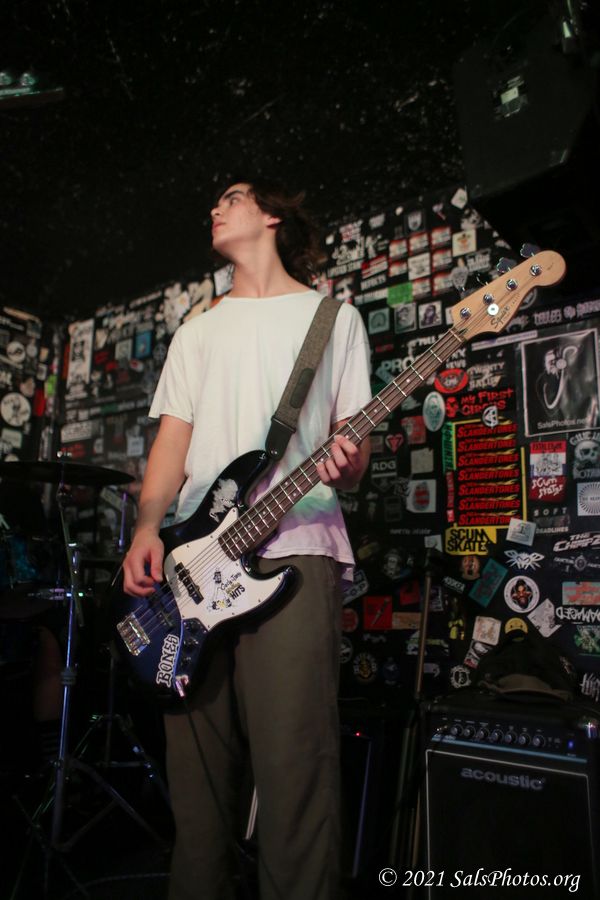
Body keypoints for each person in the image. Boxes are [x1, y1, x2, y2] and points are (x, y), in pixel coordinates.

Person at [122, 179, 372, 900]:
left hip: (298, 547)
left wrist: (349, 461)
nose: (214, 208)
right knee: (197, 787)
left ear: (271, 216)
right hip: (193, 567)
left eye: (231, 197)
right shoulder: (197, 331)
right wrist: (147, 527)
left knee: (295, 770)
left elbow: (353, 454)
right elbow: (172, 444)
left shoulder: (334, 320)